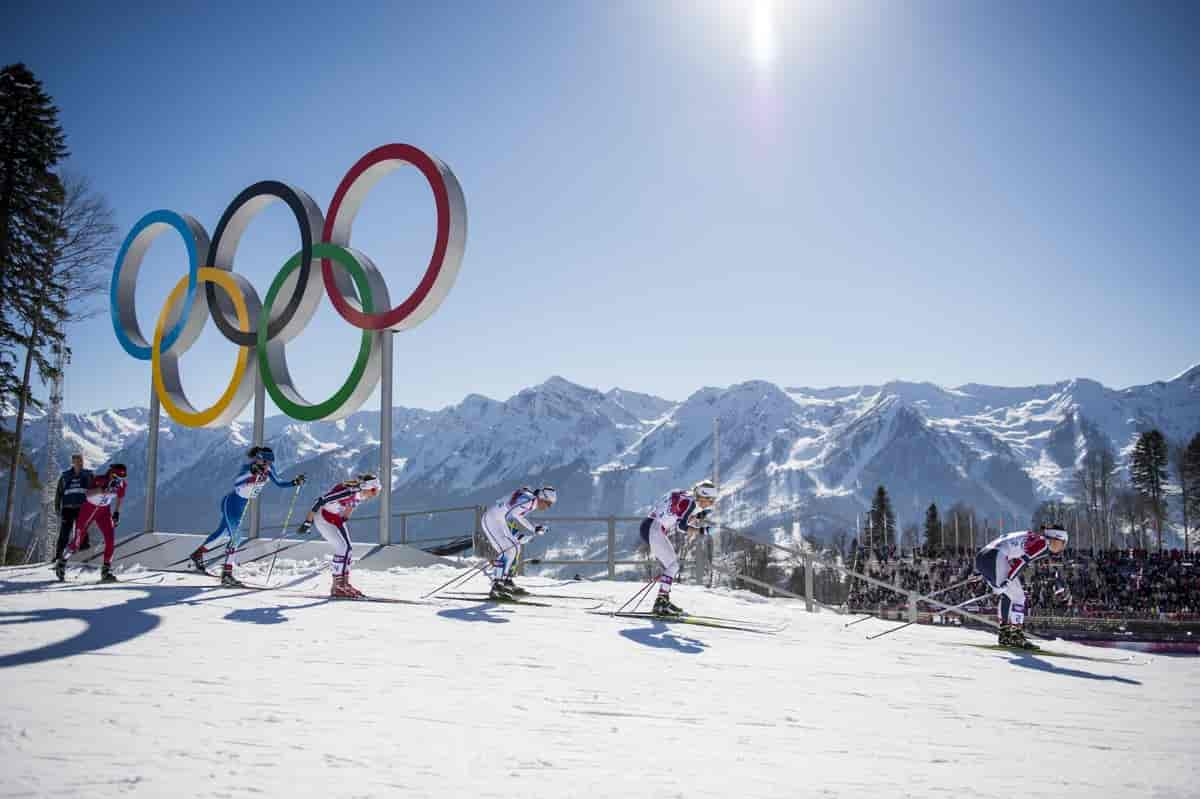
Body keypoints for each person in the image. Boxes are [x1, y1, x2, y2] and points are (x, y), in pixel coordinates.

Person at [189, 446, 304, 587]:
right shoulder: (248, 468)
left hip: (241, 506)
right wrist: (252, 473)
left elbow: (279, 483)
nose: (269, 465)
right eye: (266, 462)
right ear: (259, 459)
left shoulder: (268, 469)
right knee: (237, 538)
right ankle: (227, 575)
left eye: (270, 462)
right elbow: (238, 483)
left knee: (221, 533)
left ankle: (197, 555)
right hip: (231, 503)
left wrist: (294, 482)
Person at [974, 523, 1069, 649]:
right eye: (1062, 543)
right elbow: (1022, 561)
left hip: (986, 556)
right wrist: (1007, 580)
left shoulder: (1035, 537)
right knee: (1019, 597)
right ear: (1055, 538)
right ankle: (1015, 635)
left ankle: (1005, 633)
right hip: (996, 556)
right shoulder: (1043, 543)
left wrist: (989, 572)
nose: (1062, 547)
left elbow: (1011, 554)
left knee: (1008, 596)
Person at [297, 474, 382, 598]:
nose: (375, 494)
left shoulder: (361, 493)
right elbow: (320, 501)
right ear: (367, 487)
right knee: (342, 548)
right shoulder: (348, 491)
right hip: (322, 516)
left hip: (335, 517)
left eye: (377, 491)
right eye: (374, 490)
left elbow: (351, 505)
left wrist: (344, 519)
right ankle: (337, 586)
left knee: (348, 549)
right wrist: (308, 522)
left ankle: (344, 584)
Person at [641, 480, 717, 616]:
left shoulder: (687, 497)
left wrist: (699, 516)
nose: (710, 504)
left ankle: (663, 601)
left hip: (651, 526)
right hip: (654, 528)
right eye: (710, 500)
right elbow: (682, 527)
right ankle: (661, 603)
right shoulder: (691, 502)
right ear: (702, 495)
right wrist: (703, 531)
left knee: (672, 565)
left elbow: (681, 516)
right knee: (673, 565)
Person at [480, 486, 556, 599]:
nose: (548, 507)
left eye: (550, 505)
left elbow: (517, 515)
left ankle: (506, 581)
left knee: (515, 548)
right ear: (542, 498)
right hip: (492, 520)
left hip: (499, 520)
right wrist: (517, 535)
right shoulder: (526, 501)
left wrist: (533, 528)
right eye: (548, 503)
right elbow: (509, 516)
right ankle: (497, 585)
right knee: (507, 551)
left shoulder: (531, 502)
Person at [56, 463, 127, 582]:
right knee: (77, 541)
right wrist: (101, 490)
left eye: (121, 478)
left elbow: (120, 497)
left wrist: (116, 513)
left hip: (104, 512)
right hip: (88, 511)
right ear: (111, 473)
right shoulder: (100, 480)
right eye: (116, 477)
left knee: (110, 540)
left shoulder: (121, 484)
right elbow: (88, 494)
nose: (118, 480)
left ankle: (106, 571)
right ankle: (62, 562)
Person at [53, 454, 93, 562]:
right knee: (64, 533)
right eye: (77, 461)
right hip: (68, 508)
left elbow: (94, 490)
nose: (79, 463)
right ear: (73, 462)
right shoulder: (65, 476)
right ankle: (58, 556)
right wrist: (57, 507)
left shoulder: (88, 475)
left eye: (81, 461)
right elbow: (59, 493)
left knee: (82, 532)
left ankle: (84, 556)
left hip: (83, 508)